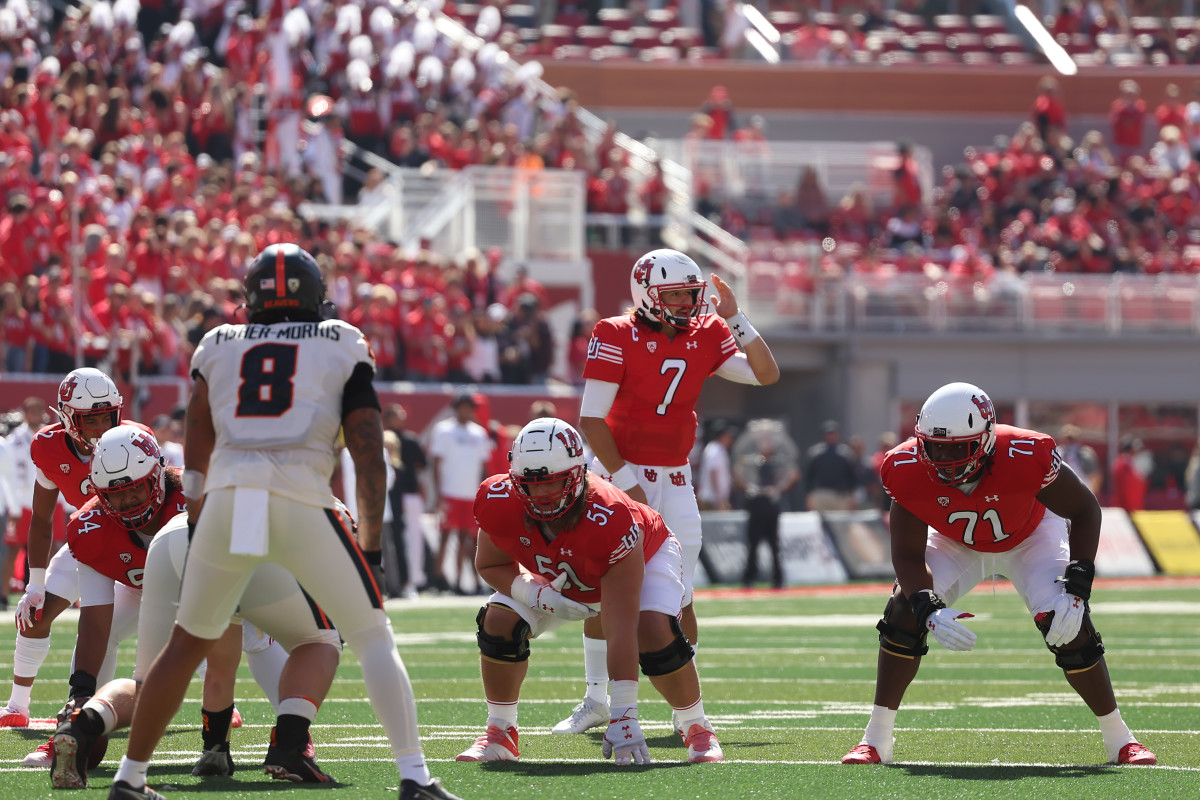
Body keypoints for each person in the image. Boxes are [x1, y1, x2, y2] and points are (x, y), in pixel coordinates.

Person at [106, 244, 459, 800]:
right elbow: (367, 451)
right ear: (316, 297)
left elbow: (196, 437)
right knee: (369, 635)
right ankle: (414, 777)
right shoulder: (341, 339)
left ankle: (130, 780)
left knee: (186, 643)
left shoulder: (217, 344)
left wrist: (198, 514)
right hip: (299, 497)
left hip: (227, 500)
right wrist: (369, 545)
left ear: (250, 300)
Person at [841, 382, 1155, 766]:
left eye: (958, 447)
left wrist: (1079, 584)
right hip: (956, 541)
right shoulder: (904, 466)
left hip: (1030, 536)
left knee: (1067, 623)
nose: (944, 457)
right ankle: (875, 740)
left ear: (987, 439)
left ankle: (1120, 739)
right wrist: (928, 608)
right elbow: (907, 553)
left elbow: (1086, 510)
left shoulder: (1027, 452)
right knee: (904, 610)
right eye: (935, 446)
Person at [560, 248, 778, 736]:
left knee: (680, 597)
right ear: (646, 294)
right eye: (675, 294)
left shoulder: (706, 331)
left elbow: (766, 373)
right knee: (603, 593)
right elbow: (591, 420)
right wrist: (626, 480)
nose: (685, 304)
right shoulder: (615, 332)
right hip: (619, 473)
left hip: (675, 478)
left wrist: (736, 316)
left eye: (689, 294)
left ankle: (686, 710)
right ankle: (596, 698)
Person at [50, 427, 344, 788]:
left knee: (154, 680)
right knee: (310, 637)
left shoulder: (193, 491)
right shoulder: (92, 525)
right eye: (116, 495)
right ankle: (290, 740)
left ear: (158, 476)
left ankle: (90, 726)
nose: (127, 503)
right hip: (202, 561)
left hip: (170, 553)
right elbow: (95, 620)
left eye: (134, 489)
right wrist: (80, 686)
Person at [456, 418, 722, 764]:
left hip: (647, 554)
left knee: (652, 630)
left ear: (580, 473)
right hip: (558, 576)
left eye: (553, 483)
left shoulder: (610, 514)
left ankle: (695, 725)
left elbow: (620, 627)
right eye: (530, 485)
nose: (541, 496)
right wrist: (534, 594)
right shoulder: (498, 498)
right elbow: (490, 565)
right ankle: (500, 732)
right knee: (498, 621)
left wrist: (625, 714)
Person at [2, 372, 149, 737]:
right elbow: (40, 518)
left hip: (138, 546)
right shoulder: (49, 446)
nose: (101, 428)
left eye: (107, 417)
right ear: (68, 417)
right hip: (90, 542)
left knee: (182, 621)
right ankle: (18, 705)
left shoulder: (134, 439)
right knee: (35, 614)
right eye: (91, 419)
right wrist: (34, 583)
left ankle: (222, 703)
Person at [429, 393, 493, 594]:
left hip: (471, 495)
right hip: (450, 492)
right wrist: (438, 493)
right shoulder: (443, 430)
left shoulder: (479, 433)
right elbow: (436, 464)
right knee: (446, 536)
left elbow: (484, 467)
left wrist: (485, 493)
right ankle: (438, 579)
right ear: (456, 408)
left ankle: (464, 582)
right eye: (462, 406)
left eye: (469, 407)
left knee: (470, 539)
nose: (466, 410)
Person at [384, 404, 432, 599]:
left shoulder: (410, 440)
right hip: (389, 497)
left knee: (412, 539)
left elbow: (422, 464)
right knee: (393, 540)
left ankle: (414, 579)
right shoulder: (381, 440)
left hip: (409, 495)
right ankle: (397, 581)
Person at [738, 436, 799, 589]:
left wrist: (778, 488)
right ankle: (749, 578)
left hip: (771, 505)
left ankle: (777, 578)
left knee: (774, 545)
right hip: (756, 504)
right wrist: (749, 487)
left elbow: (792, 476)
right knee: (753, 545)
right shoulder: (751, 462)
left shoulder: (778, 463)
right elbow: (739, 476)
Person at [802, 420, 859, 511]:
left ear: (838, 435)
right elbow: (809, 476)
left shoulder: (845, 453)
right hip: (821, 494)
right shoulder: (815, 453)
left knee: (840, 523)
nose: (831, 436)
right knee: (820, 523)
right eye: (828, 434)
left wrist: (852, 496)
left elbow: (852, 477)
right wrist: (809, 496)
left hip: (840, 495)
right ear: (824, 436)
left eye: (833, 433)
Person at [696, 421, 735, 511]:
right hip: (712, 499)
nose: (730, 439)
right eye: (728, 436)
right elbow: (713, 472)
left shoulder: (718, 448)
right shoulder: (715, 449)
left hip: (714, 499)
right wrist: (719, 499)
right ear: (722, 436)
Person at [1058, 424, 1103, 495]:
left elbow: (1095, 476)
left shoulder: (1084, 454)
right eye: (1067, 438)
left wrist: (1092, 493)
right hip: (1061, 492)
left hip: (1081, 491)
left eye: (1071, 439)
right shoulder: (1058, 453)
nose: (1069, 442)